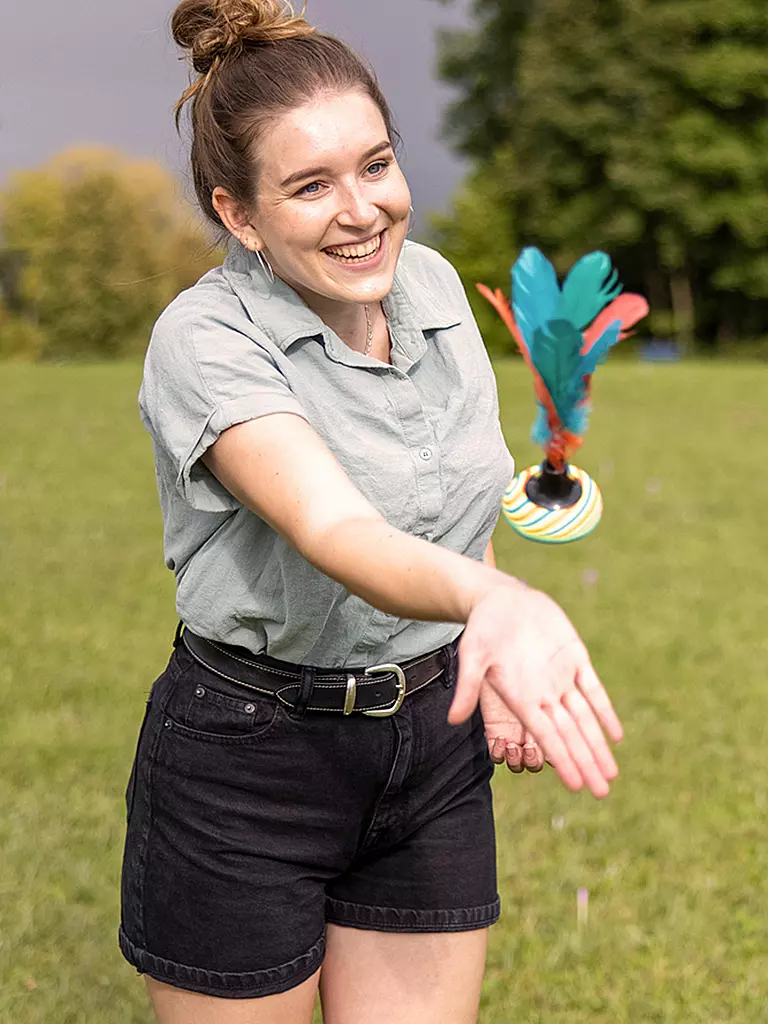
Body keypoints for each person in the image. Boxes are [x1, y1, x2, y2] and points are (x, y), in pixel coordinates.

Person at [119, 2, 623, 1021]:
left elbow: (458, 497)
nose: (362, 210)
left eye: (376, 165)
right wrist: (502, 602)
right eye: (311, 186)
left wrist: (477, 656)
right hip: (250, 758)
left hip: (430, 742)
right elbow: (336, 529)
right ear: (240, 214)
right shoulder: (204, 340)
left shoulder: (431, 288)